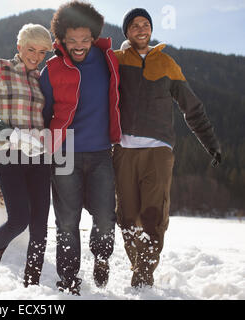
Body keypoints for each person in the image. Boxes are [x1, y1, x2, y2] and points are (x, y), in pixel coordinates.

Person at [114, 8, 221, 288]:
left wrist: (210, 143)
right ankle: (138, 262)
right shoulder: (116, 60)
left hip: (159, 150)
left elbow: (192, 108)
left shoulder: (166, 62)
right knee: (126, 214)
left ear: (151, 29)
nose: (141, 29)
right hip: (123, 149)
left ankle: (144, 272)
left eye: (145, 24)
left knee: (154, 212)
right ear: (126, 31)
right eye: (134, 25)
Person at [39, 1, 121, 295]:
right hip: (64, 153)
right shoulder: (51, 71)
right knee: (67, 220)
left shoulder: (107, 59)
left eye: (85, 39)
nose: (79, 45)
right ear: (60, 39)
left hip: (101, 153)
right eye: (72, 40)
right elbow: (43, 114)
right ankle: (68, 278)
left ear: (93, 37)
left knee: (104, 214)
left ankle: (101, 256)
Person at [0, 24, 53, 287]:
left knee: (40, 227)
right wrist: (7, 133)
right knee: (19, 220)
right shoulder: (1, 68)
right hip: (10, 156)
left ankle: (32, 285)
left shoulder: (42, 78)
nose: (36, 56)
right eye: (31, 49)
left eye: (42, 52)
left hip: (40, 158)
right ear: (19, 47)